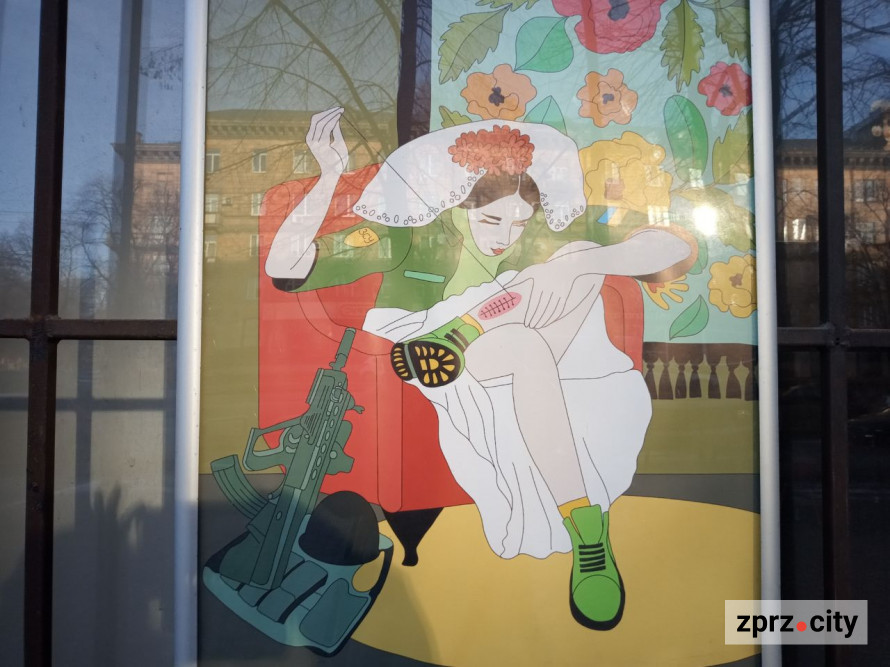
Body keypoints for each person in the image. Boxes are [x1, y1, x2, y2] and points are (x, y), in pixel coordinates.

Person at [265, 107, 695, 630]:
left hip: (512, 336)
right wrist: (329, 175)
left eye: (520, 223)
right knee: (526, 336)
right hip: (432, 344)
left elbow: (677, 248)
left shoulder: (545, 230)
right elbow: (284, 268)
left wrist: (583, 262)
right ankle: (588, 533)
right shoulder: (408, 233)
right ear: (457, 204)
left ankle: (466, 330)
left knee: (577, 256)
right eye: (490, 220)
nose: (505, 236)